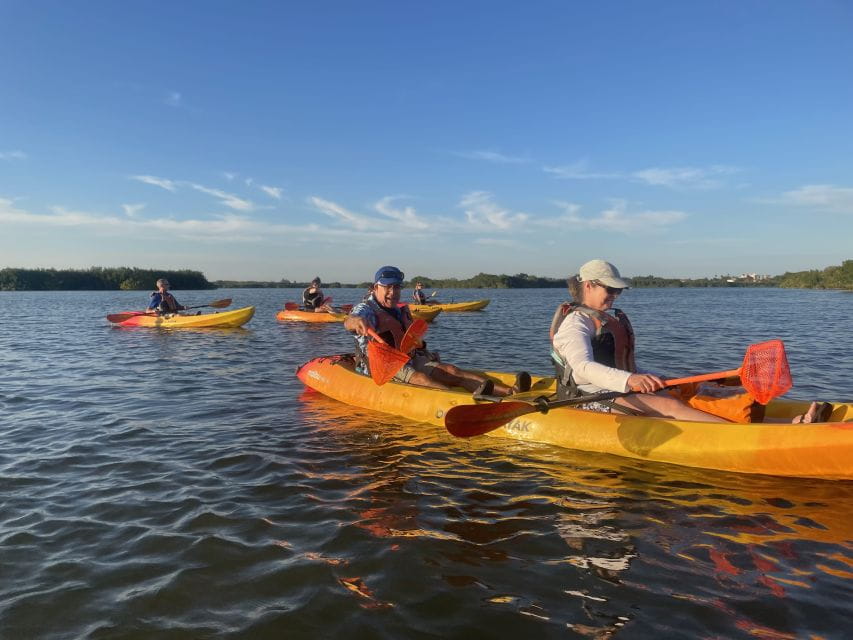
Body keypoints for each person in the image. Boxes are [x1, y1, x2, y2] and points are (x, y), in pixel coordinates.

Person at [550, 259, 827, 423]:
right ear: (589, 285)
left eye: (617, 291)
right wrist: (630, 381)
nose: (615, 295)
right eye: (609, 289)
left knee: (688, 389)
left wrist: (642, 377)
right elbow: (583, 367)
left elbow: (619, 362)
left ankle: (784, 422)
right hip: (588, 398)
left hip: (617, 390)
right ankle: (763, 437)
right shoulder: (575, 323)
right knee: (671, 406)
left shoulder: (606, 317)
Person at [344, 265, 530, 396]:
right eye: (388, 287)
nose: (393, 292)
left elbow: (410, 338)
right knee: (421, 378)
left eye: (397, 287)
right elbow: (349, 321)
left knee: (452, 370)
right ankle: (459, 403)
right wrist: (355, 321)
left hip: (409, 358)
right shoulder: (366, 309)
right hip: (384, 365)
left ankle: (510, 392)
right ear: (376, 287)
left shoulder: (401, 310)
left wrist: (425, 351)